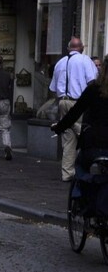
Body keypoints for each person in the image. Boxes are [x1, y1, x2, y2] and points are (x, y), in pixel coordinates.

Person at [49, 37, 97, 182]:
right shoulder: (85, 60)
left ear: (69, 48)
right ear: (81, 47)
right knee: (85, 133)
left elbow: (53, 87)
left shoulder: (60, 63)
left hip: (63, 102)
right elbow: (93, 82)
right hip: (78, 103)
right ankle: (89, 166)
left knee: (68, 139)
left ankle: (67, 173)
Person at [51, 54, 108, 177]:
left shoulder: (94, 89)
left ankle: (78, 190)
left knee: (81, 168)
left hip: (94, 144)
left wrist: (59, 127)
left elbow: (75, 112)